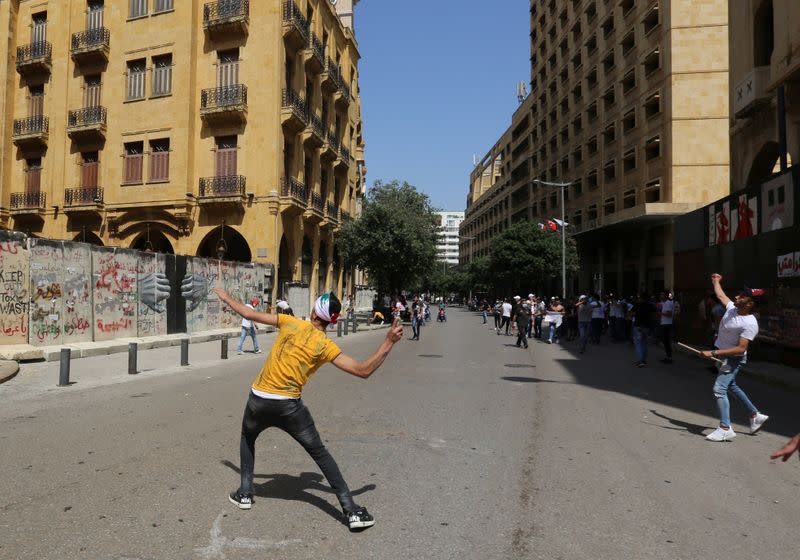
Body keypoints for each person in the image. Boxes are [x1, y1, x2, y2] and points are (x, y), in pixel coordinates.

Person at [213, 287, 404, 530]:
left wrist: (226, 295)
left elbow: (246, 313)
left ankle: (245, 493)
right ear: (332, 320)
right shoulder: (325, 346)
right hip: (289, 408)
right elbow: (363, 370)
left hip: (258, 399)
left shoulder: (289, 322)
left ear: (314, 311)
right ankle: (351, 511)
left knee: (248, 437)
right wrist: (388, 341)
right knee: (320, 454)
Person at [699, 275, 768, 442]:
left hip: (733, 359)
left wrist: (713, 353)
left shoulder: (750, 323)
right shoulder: (732, 308)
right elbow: (721, 295)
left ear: (750, 304)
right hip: (724, 355)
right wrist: (716, 281)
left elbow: (741, 348)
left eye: (742, 296)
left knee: (719, 389)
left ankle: (725, 428)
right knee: (731, 385)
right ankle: (755, 415)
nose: (737, 297)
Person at [630, 293, 656, 367]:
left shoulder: (637, 305)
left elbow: (631, 313)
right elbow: (654, 314)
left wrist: (635, 315)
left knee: (638, 344)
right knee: (644, 343)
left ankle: (641, 361)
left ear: (640, 298)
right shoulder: (650, 305)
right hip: (647, 326)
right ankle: (643, 359)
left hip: (638, 326)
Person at [658, 292, 674, 364]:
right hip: (665, 324)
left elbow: (669, 314)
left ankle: (669, 357)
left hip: (666, 325)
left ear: (665, 296)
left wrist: (660, 313)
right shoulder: (664, 303)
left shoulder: (668, 303)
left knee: (666, 341)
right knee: (665, 341)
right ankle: (668, 357)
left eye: (662, 295)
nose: (660, 296)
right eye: (660, 295)